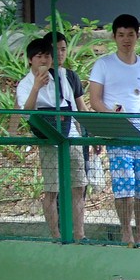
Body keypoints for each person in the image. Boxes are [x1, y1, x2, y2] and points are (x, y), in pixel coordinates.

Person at [88, 14, 140, 247]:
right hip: (117, 133)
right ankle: (125, 233)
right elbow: (95, 100)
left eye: (130, 35)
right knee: (124, 186)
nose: (126, 39)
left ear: (137, 36)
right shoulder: (104, 64)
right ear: (114, 37)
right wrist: (111, 115)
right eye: (121, 35)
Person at [15, 38, 87, 241]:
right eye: (39, 56)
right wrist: (36, 87)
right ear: (30, 60)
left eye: (47, 55)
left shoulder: (61, 77)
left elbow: (71, 106)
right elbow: (26, 113)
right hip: (47, 139)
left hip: (69, 134)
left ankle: (79, 233)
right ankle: (55, 235)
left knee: (78, 186)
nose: (44, 60)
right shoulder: (25, 84)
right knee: (51, 190)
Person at [43, 30, 98, 192]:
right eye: (55, 49)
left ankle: (75, 218)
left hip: (74, 134)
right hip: (53, 135)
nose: (59, 54)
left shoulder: (71, 76)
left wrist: (92, 134)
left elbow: (81, 107)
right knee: (55, 188)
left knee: (79, 185)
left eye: (63, 49)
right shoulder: (41, 77)